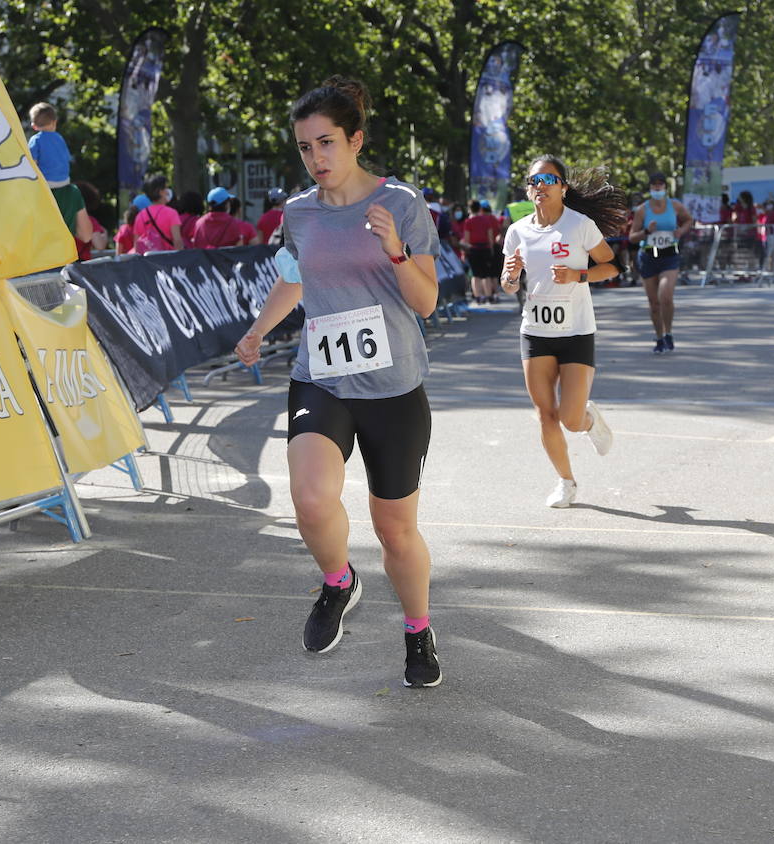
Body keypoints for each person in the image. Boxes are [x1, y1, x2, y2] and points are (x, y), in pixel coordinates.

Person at [232, 76, 443, 688]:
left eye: (326, 143)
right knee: (311, 496)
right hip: (321, 378)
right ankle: (338, 582)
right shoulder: (297, 213)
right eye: (304, 148)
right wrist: (257, 330)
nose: (316, 158)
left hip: (394, 387)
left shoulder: (401, 203)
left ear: (354, 140)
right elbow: (295, 279)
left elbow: (426, 303)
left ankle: (417, 630)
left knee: (394, 530)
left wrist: (397, 251)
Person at [500, 155, 625, 508]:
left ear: (564, 188)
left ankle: (589, 419)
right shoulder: (517, 231)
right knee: (545, 414)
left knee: (570, 419)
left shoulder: (580, 225)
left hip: (576, 330)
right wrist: (510, 274)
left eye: (548, 180)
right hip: (535, 331)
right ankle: (566, 482)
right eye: (534, 181)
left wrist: (577, 275)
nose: (540, 186)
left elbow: (612, 266)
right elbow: (509, 286)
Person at [628, 171, 693, 353]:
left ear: (665, 187)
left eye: (660, 184)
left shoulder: (675, 206)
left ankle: (669, 332)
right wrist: (646, 232)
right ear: (650, 188)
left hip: (669, 256)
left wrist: (681, 231)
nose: (657, 187)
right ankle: (659, 337)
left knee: (666, 296)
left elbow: (689, 220)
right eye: (654, 185)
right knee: (654, 303)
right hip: (648, 257)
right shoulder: (642, 209)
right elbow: (632, 237)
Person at [460, 199, 501, 304]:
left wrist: (465, 252)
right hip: (485, 248)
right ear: (479, 208)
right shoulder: (485, 220)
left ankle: (478, 296)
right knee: (486, 274)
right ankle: (488, 296)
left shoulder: (468, 222)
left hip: (473, 249)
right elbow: (490, 236)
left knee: (475, 275)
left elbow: (467, 239)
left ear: (470, 209)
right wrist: (491, 249)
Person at [132, 174, 182, 252]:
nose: (167, 190)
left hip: (147, 261)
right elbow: (177, 241)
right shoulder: (172, 213)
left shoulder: (140, 216)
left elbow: (136, 245)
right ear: (161, 192)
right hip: (168, 260)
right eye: (166, 188)